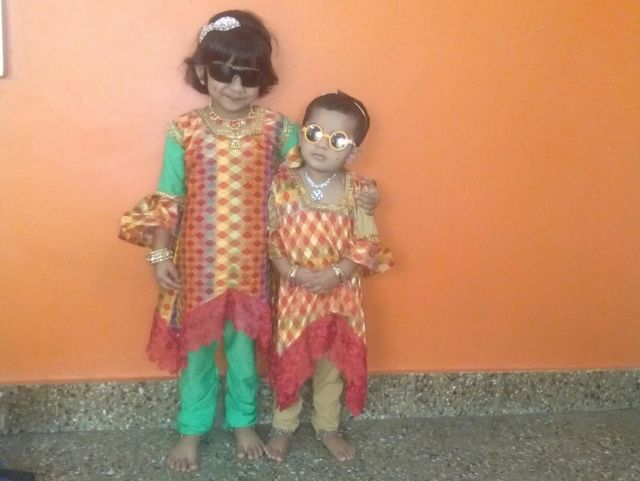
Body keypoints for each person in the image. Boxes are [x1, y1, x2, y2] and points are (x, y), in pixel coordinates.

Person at [119, 12, 380, 473]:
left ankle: (242, 422)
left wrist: (363, 195)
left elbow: (318, 170)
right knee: (196, 353)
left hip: (256, 263)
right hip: (197, 263)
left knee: (244, 352)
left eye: (249, 76)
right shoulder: (184, 130)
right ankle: (191, 429)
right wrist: (160, 253)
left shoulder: (278, 130)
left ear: (264, 79)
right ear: (203, 71)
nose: (236, 86)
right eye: (224, 72)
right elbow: (168, 198)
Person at [265, 92, 393, 463]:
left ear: (352, 153)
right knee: (291, 359)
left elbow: (367, 241)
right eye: (314, 133)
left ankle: (327, 426)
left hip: (340, 294)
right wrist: (292, 272)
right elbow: (271, 238)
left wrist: (338, 273)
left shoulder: (358, 190)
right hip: (296, 291)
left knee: (331, 365)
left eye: (337, 140)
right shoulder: (282, 184)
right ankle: (283, 426)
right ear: (301, 133)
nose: (322, 145)